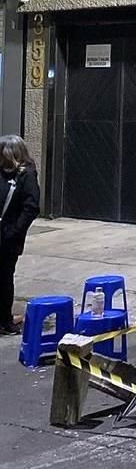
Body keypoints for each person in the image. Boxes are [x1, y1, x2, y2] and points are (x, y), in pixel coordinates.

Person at [0, 135, 40, 334]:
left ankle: (4, 319)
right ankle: (4, 320)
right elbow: (31, 206)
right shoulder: (12, 174)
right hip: (7, 234)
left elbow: (31, 207)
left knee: (4, 276)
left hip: (8, 236)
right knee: (4, 277)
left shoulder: (25, 175)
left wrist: (14, 231)